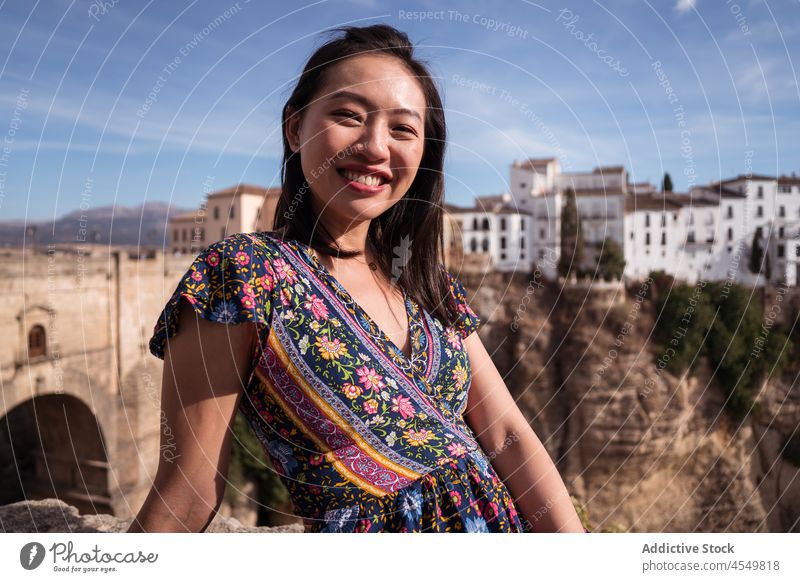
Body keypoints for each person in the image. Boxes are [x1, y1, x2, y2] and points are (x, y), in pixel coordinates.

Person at [128, 24, 585, 533]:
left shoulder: (424, 282)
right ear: (295, 128)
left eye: (403, 129)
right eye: (348, 116)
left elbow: (506, 435)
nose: (374, 146)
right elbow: (188, 491)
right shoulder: (243, 275)